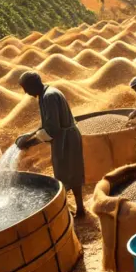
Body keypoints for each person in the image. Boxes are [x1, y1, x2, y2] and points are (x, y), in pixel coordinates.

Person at [15, 71, 86, 218]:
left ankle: (71, 210)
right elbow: (48, 123)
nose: (26, 92)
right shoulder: (45, 94)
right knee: (70, 171)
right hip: (65, 137)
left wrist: (32, 142)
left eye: (26, 88)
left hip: (66, 139)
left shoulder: (49, 97)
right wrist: (30, 135)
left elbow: (53, 128)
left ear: (33, 85)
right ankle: (76, 208)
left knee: (67, 172)